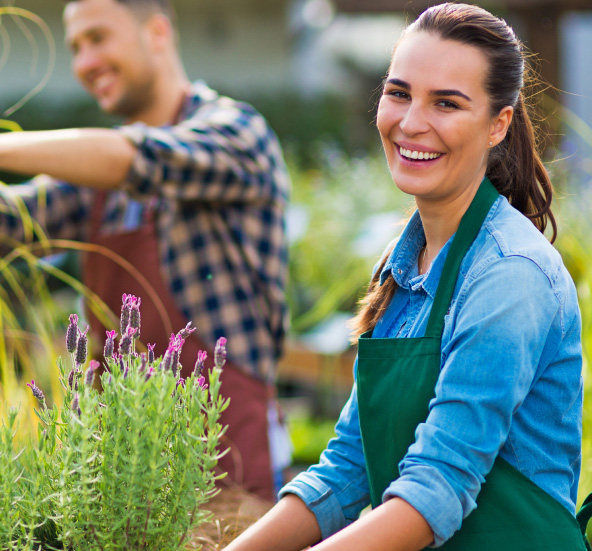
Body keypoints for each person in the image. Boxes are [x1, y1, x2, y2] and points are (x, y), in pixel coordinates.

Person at [223, 3, 590, 550]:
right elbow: (347, 467)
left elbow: (438, 487)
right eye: (399, 93)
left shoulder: (510, 273)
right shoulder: (403, 263)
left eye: (446, 103)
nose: (411, 122)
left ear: (498, 124)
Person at [0, 0, 290, 502]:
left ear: (156, 32)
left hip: (225, 459)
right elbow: (14, 218)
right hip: (121, 469)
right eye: (74, 47)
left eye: (98, 38)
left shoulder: (238, 132)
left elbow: (140, 159)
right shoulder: (92, 180)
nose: (84, 62)